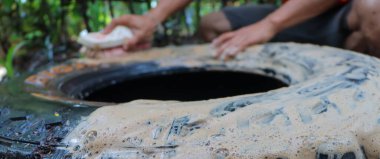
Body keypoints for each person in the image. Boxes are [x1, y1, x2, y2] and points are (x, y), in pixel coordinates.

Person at [99, 0, 380, 59]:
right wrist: (152, 17)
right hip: (292, 14)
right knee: (214, 26)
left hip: (344, 13)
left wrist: (268, 26)